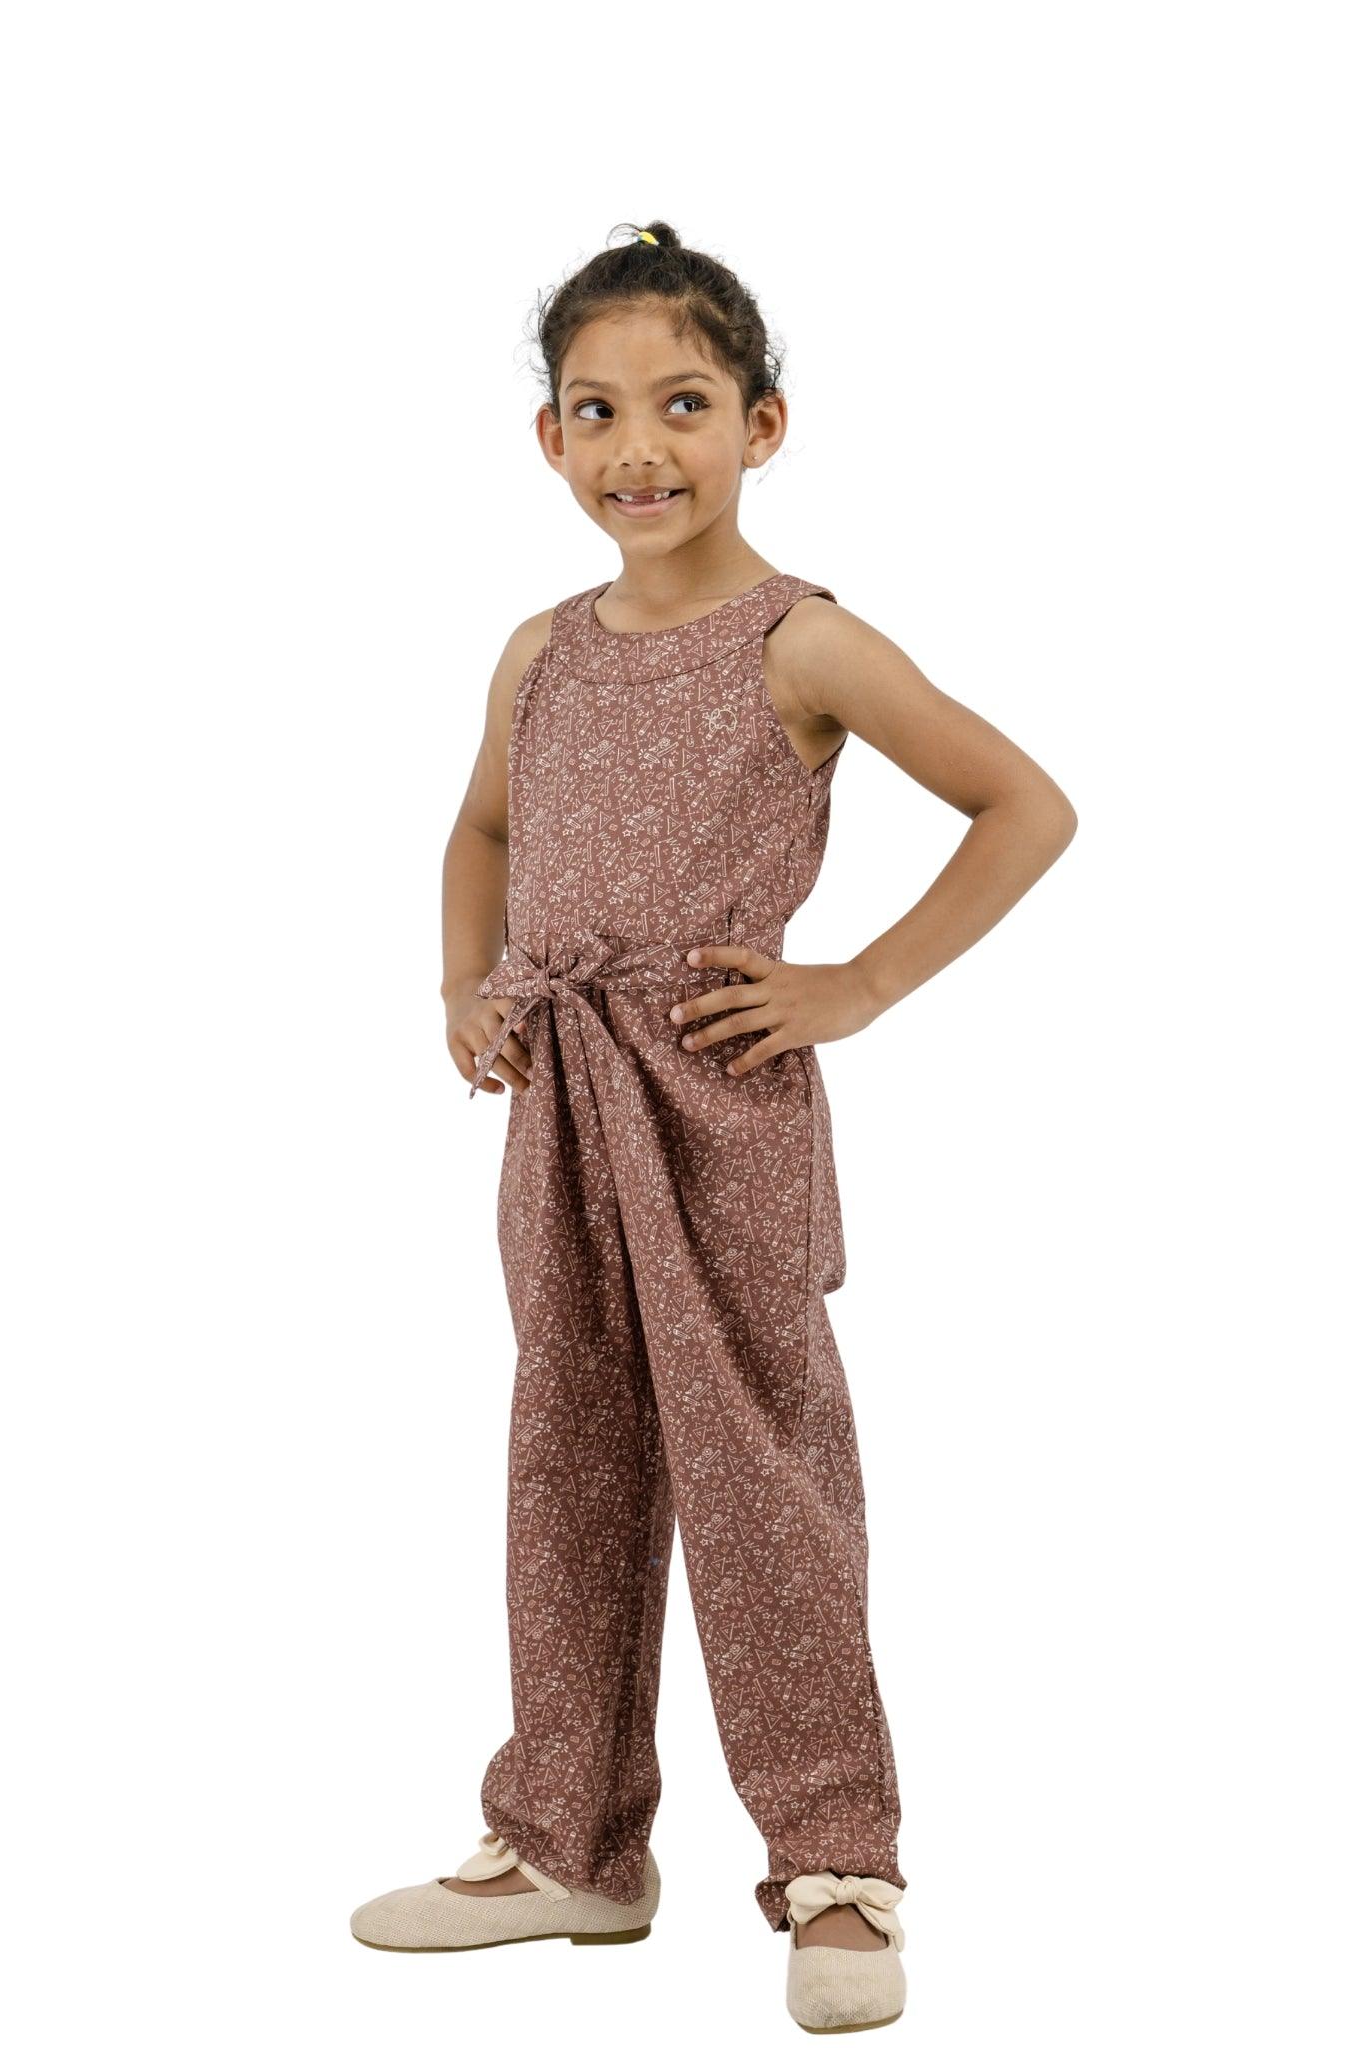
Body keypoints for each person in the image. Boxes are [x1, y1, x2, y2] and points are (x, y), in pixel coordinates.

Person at [350, 220, 1077, 2034]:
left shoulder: (803, 642)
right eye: (595, 411)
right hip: (563, 1110)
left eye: (682, 404)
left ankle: (839, 1863)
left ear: (763, 423)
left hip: (721, 1105)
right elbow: (483, 835)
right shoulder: (539, 653)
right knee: (567, 1453)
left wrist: (858, 983)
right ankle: (575, 1843)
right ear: (549, 442)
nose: (637, 448)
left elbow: (1024, 805)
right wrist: (466, 985)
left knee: (762, 1474)